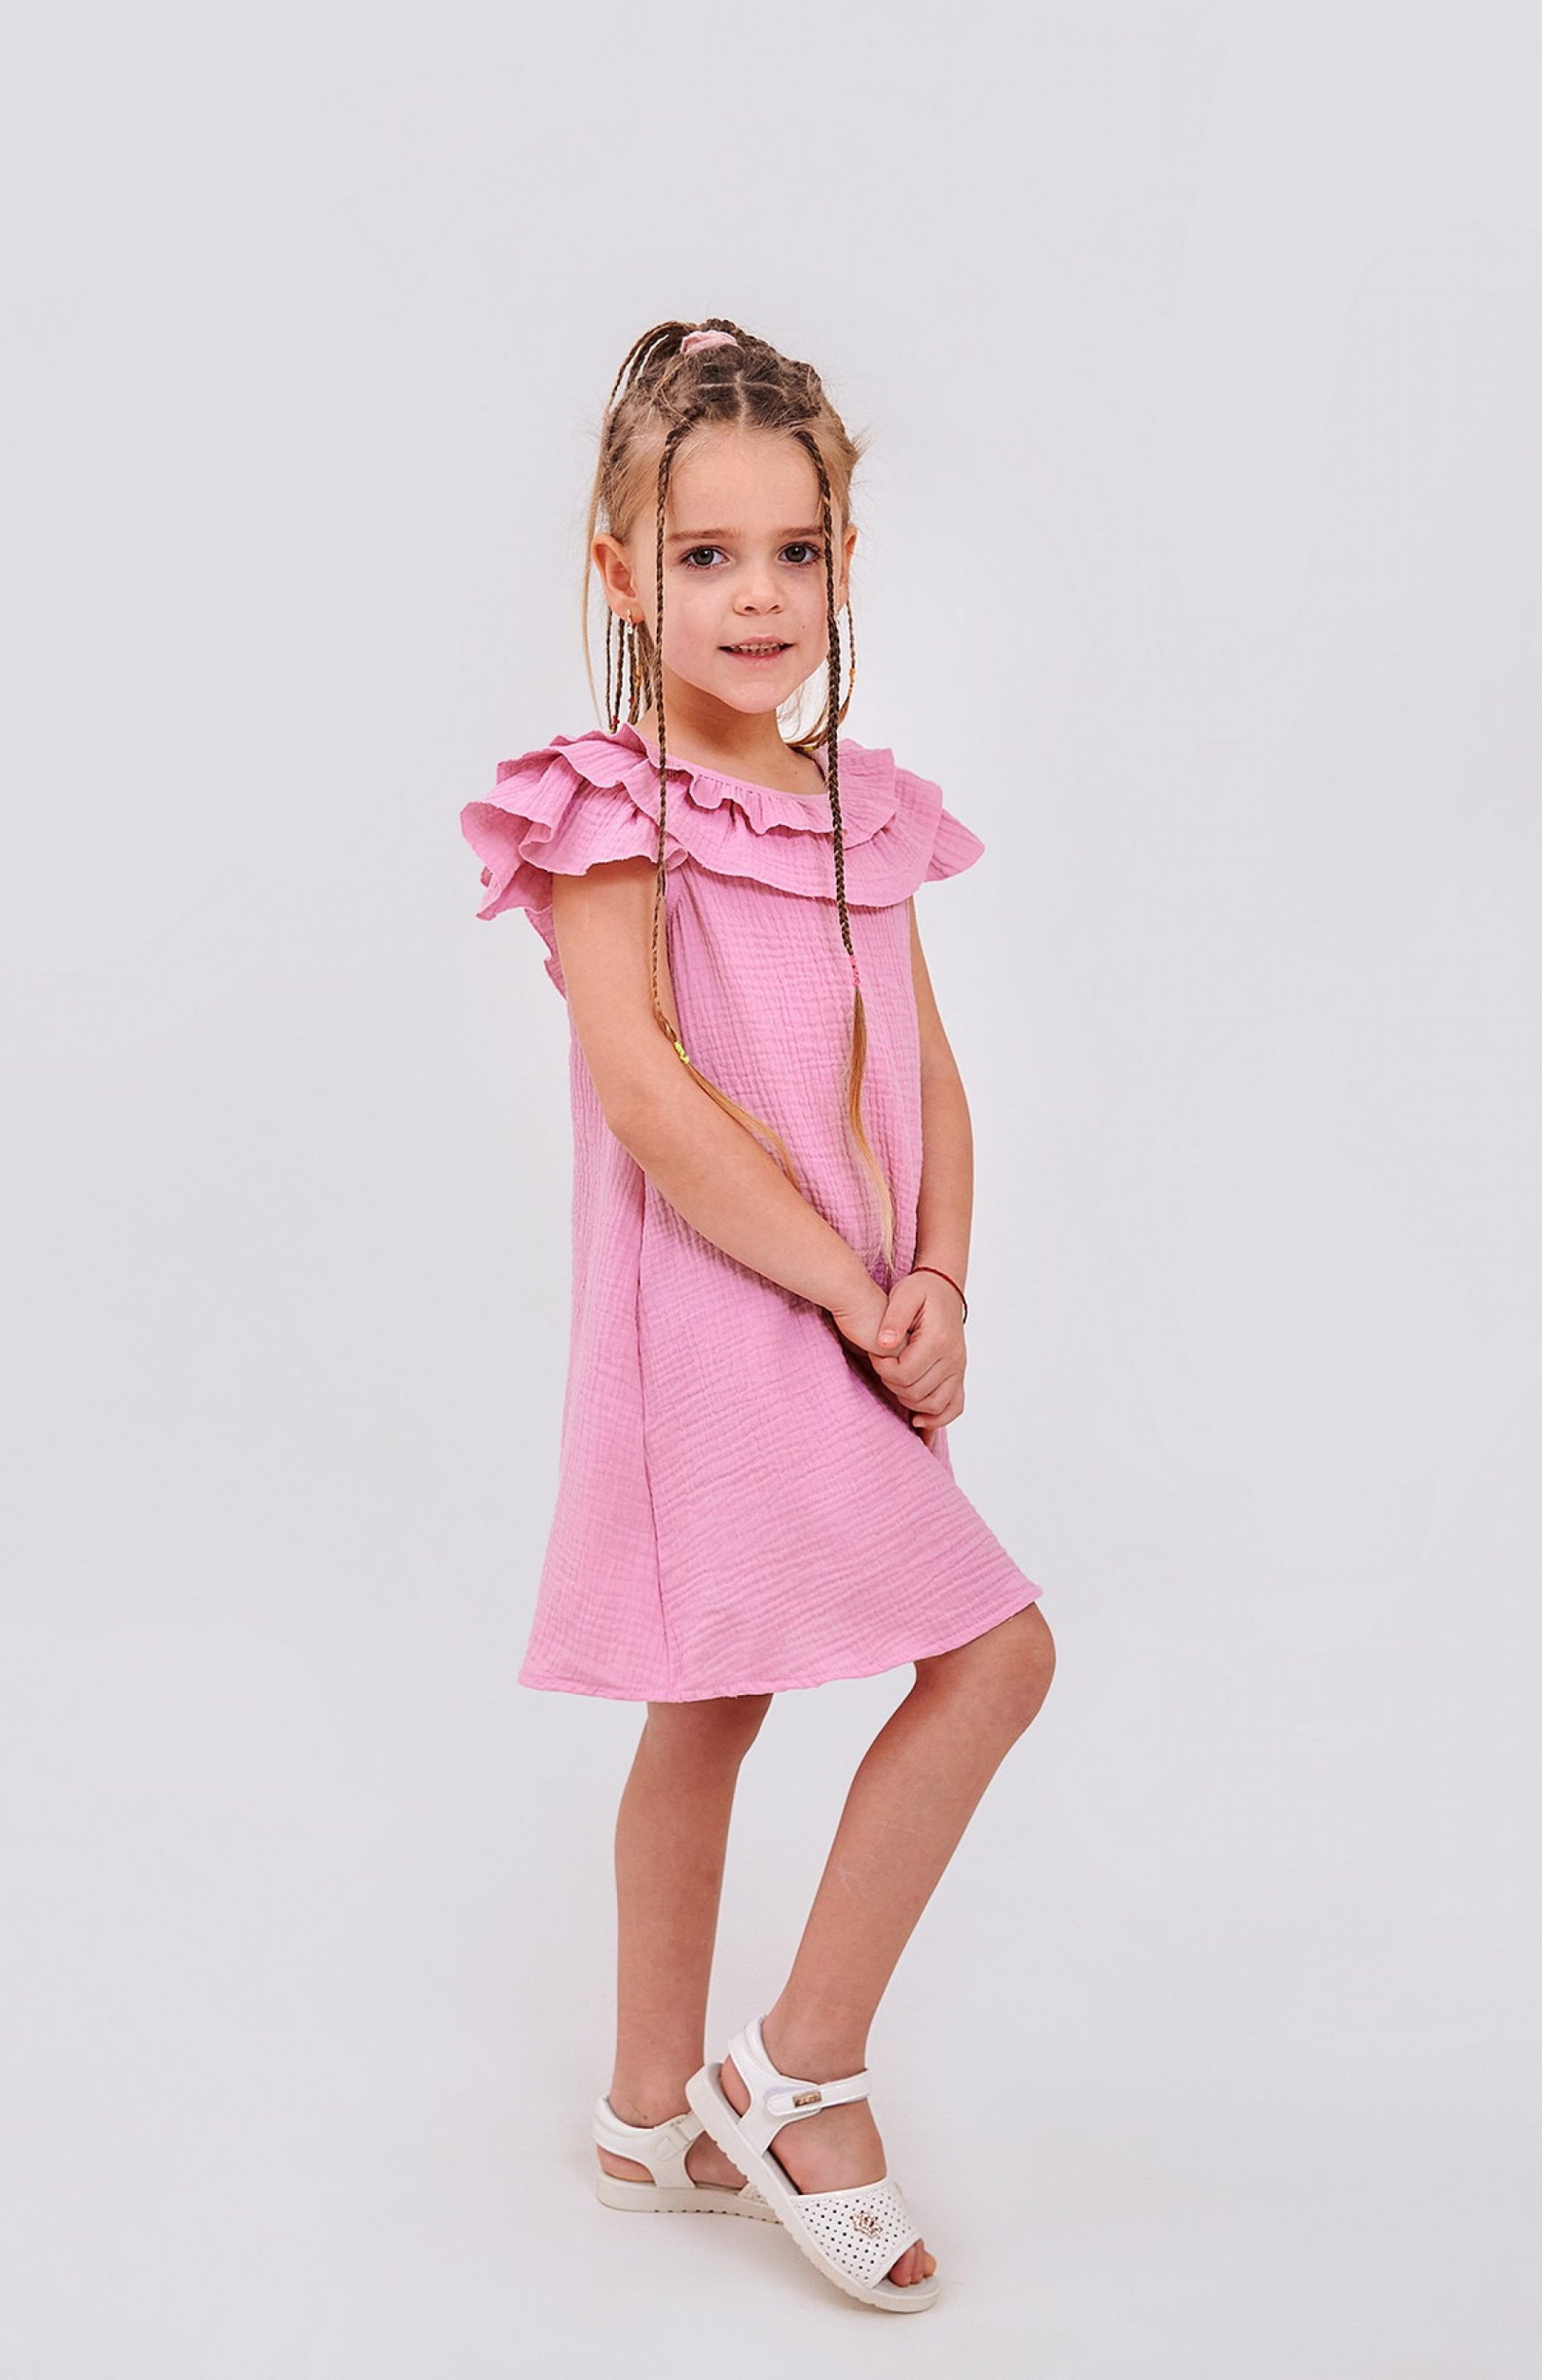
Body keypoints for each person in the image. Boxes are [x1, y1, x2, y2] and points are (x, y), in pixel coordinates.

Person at [459, 318, 1054, 2315]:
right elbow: (650, 1096)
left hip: (856, 1308)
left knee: (714, 1697)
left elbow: (925, 1067)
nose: (755, 595)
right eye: (704, 555)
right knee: (993, 1656)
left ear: (845, 559)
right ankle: (797, 2074)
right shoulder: (604, 808)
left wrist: (940, 1275)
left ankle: (650, 2113)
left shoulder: (855, 807)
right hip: (721, 1324)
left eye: (793, 552)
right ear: (621, 573)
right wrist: (848, 1286)